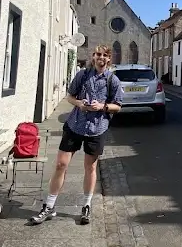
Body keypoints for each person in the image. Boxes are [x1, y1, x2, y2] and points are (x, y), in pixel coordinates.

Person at [29, 45, 122, 226]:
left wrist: (102, 106)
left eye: (104, 55)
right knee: (60, 164)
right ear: (93, 56)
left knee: (90, 167)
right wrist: (79, 103)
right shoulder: (82, 75)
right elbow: (70, 96)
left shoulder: (113, 80)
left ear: (109, 59)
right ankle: (49, 206)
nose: (101, 57)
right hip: (75, 124)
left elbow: (117, 106)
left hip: (97, 128)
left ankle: (86, 205)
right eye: (98, 54)